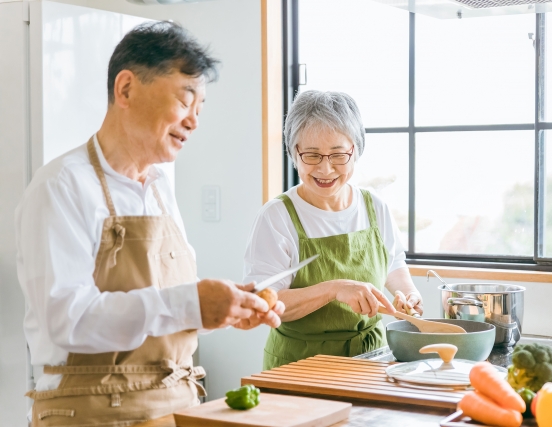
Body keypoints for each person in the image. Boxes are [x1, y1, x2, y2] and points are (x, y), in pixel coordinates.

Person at [15, 22, 284, 425]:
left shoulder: (160, 189)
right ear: (126, 89)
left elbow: (166, 308)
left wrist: (220, 309)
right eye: (185, 99)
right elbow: (67, 320)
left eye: (201, 107)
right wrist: (192, 303)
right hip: (89, 412)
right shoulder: (61, 185)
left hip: (176, 408)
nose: (194, 120)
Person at [243, 90, 424, 370]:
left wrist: (408, 294)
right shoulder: (276, 216)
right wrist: (333, 289)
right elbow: (266, 301)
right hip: (298, 364)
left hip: (371, 359)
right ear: (294, 153)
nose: (326, 169)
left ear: (356, 151)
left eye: (339, 155)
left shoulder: (374, 206)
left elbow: (393, 263)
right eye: (312, 155)